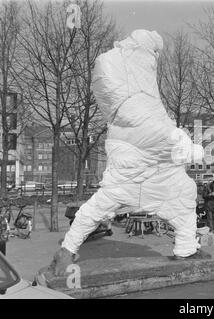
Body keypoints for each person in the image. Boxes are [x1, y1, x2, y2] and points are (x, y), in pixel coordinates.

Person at [41, 30, 205, 277]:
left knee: (183, 194)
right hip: (136, 171)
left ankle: (186, 247)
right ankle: (65, 251)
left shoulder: (138, 84)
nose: (155, 58)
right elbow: (145, 127)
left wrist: (178, 142)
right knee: (98, 207)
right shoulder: (128, 86)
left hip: (155, 172)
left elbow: (153, 125)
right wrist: (183, 143)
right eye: (154, 52)